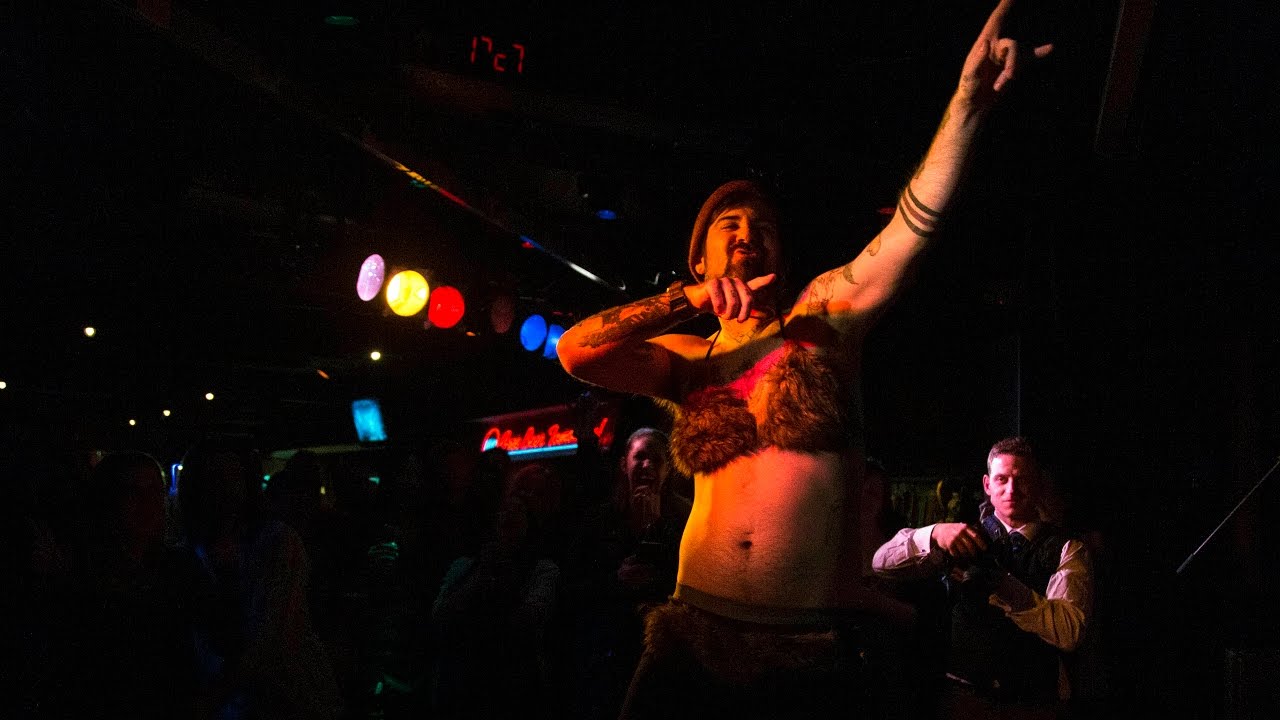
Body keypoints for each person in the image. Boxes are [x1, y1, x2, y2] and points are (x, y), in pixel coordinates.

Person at [556, 2, 1052, 717]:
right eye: (729, 225)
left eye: (762, 226)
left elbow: (907, 233)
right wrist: (684, 300)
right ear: (701, 260)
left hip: (806, 650)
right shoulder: (689, 359)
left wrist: (965, 107)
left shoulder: (822, 320)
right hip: (690, 635)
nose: (747, 233)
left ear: (780, 257)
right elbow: (577, 351)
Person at [872, 437, 1092, 719]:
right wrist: (934, 533)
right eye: (1002, 479)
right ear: (987, 485)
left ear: (1038, 485)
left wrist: (1003, 586)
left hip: (1035, 702)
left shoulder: (1066, 547)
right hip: (966, 698)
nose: (1011, 490)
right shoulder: (962, 537)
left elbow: (1070, 631)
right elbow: (882, 563)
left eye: (1021, 480)